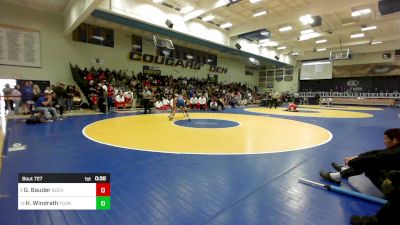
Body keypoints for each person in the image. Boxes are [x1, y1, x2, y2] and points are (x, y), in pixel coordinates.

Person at [319, 128, 400, 190]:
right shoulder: (396, 149)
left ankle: (337, 176)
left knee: (369, 164)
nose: (384, 141)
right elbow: (377, 152)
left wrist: (352, 161)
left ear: (394, 140)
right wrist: (357, 156)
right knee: (370, 160)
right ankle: (344, 171)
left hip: (393, 189)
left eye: (386, 139)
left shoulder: (395, 153)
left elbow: (372, 158)